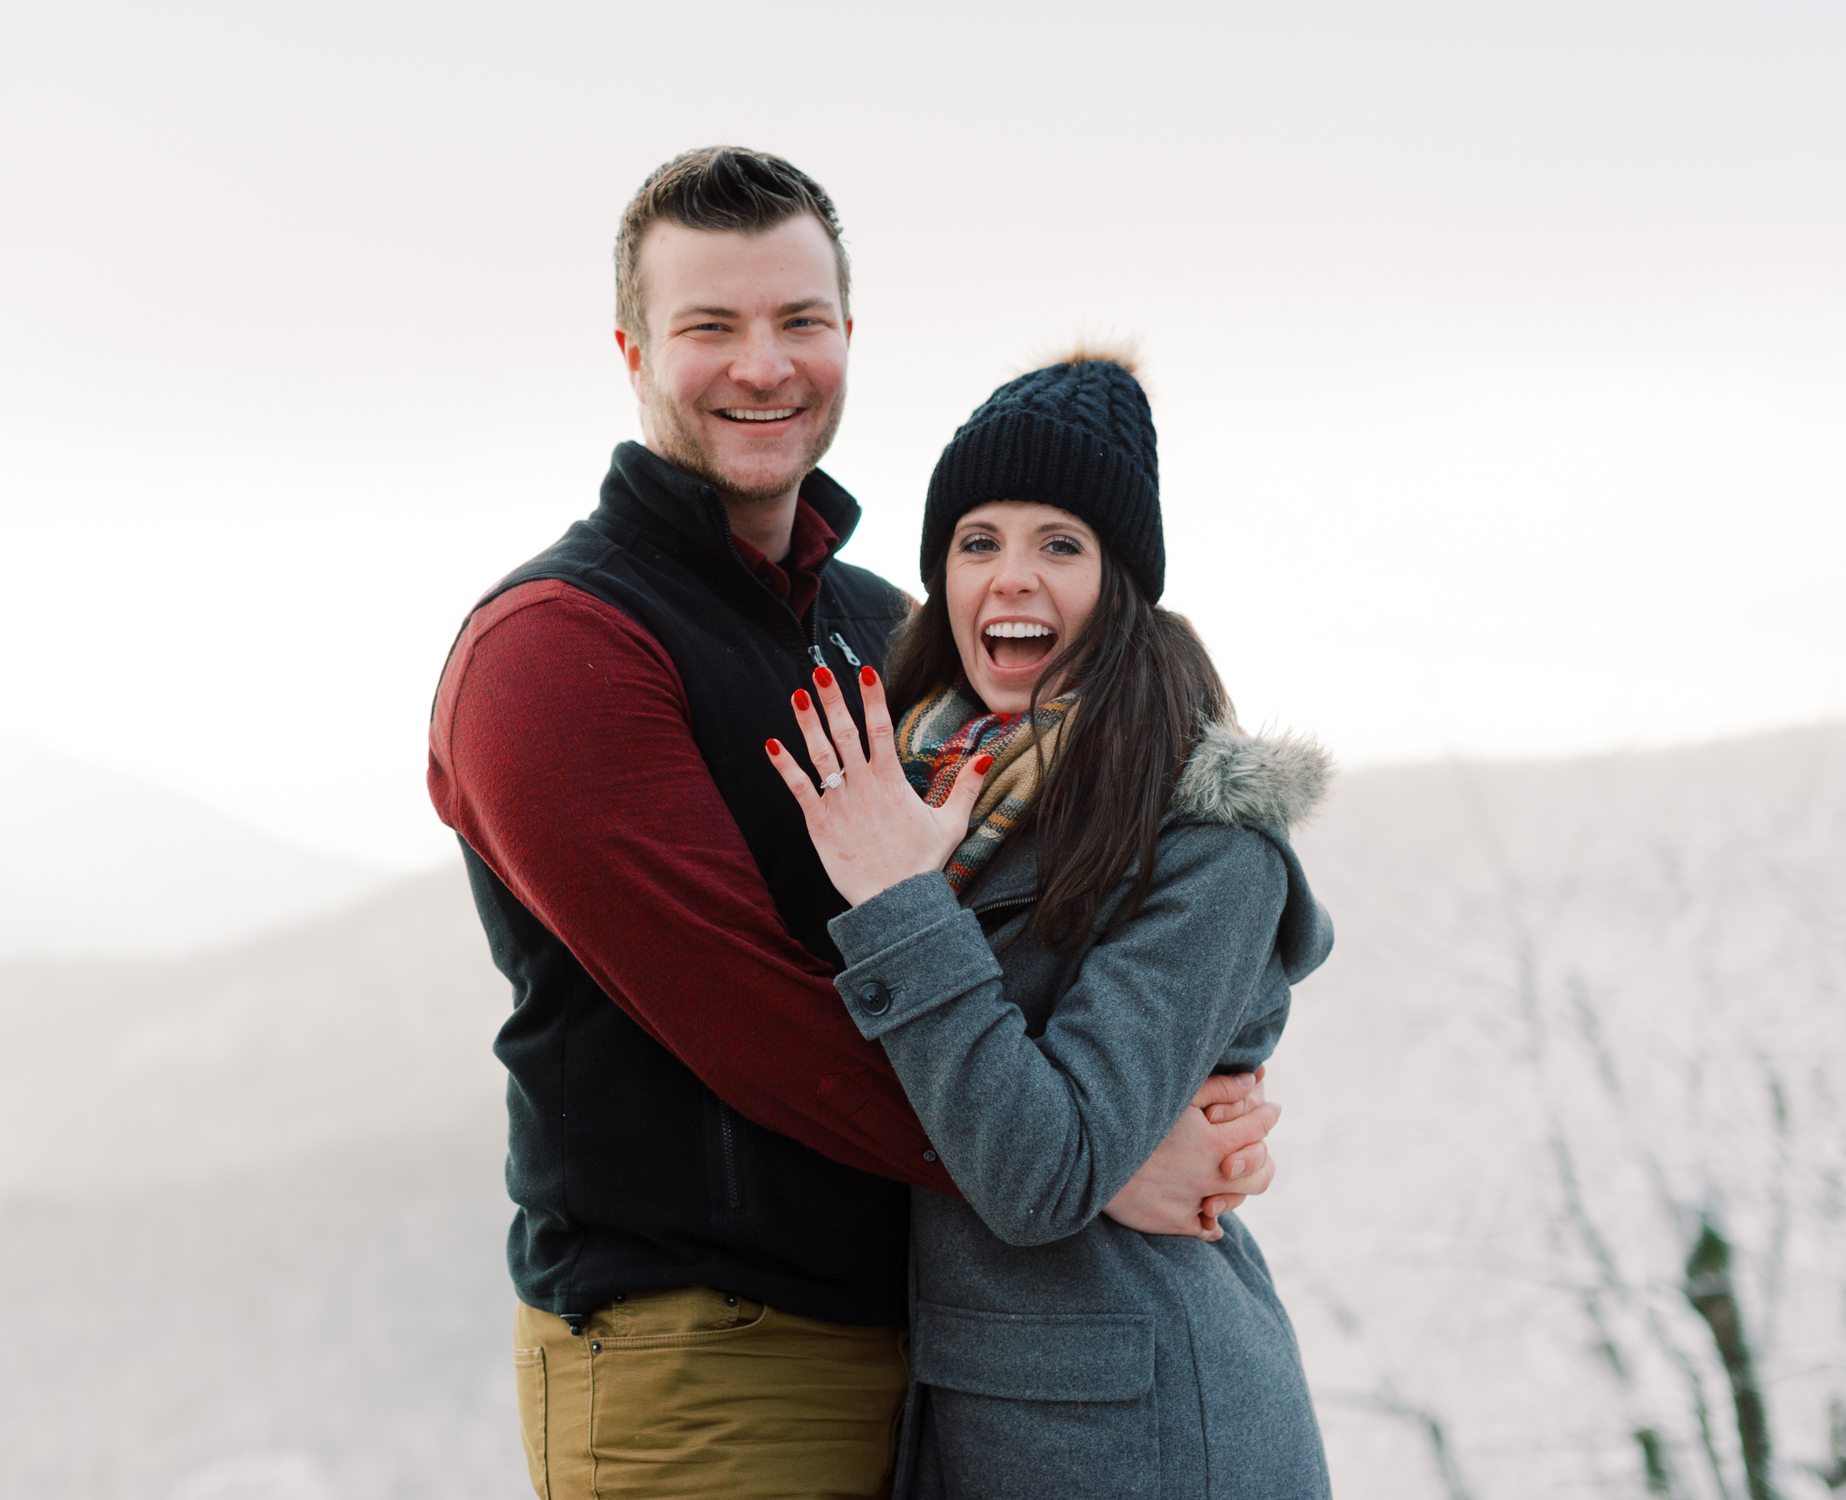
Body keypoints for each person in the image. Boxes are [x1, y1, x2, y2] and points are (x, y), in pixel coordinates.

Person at [428, 147, 1283, 1500]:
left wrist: (1153, 1090)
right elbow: (755, 1017)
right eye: (710, 326)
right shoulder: (558, 653)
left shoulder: (879, 633)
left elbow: (1064, 923)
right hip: (709, 1354)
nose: (762, 366)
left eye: (799, 321)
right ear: (634, 348)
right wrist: (1086, 1163)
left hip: (947, 1348)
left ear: (845, 339)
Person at [765, 351, 1336, 1497]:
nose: (1009, 579)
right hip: (983, 1409)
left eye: (1058, 545)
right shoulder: (918, 785)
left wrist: (899, 901)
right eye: (977, 542)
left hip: (1144, 1432)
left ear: (1120, 583)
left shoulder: (1209, 850)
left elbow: (1036, 1174)